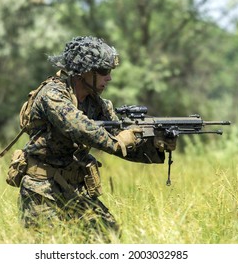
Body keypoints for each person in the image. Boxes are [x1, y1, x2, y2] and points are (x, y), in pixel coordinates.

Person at [18, 36, 165, 239]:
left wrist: (155, 144)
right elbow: (78, 126)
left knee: (108, 237)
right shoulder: (52, 94)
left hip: (75, 188)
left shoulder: (97, 105)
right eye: (104, 72)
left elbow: (121, 143)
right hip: (42, 189)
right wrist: (117, 141)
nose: (109, 78)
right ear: (83, 71)